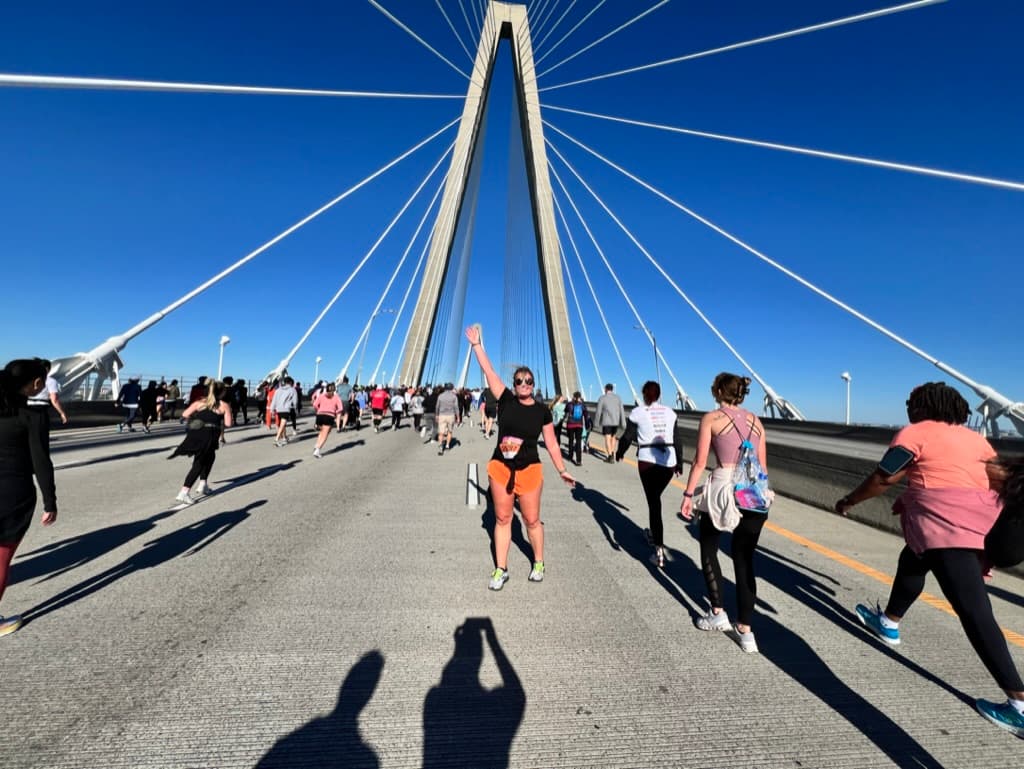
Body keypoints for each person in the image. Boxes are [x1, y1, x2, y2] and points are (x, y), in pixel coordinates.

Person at [835, 381, 1024, 738]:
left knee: (973, 609)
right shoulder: (975, 439)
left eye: (911, 401)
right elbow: (992, 478)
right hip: (978, 520)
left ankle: (1019, 705)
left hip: (946, 526)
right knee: (912, 560)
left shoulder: (914, 433)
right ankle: (888, 622)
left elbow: (884, 477)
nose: (908, 407)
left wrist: (848, 501)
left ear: (924, 406)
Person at [465, 326, 575, 590]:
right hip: (501, 468)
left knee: (531, 520)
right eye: (519, 381)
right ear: (513, 385)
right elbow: (489, 372)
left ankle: (538, 561)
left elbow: (551, 443)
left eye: (528, 381)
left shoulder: (542, 411)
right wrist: (477, 345)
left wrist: (562, 470)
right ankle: (501, 569)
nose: (524, 384)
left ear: (533, 384)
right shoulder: (505, 400)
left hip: (529, 470)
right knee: (503, 519)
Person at [679, 372, 768, 654]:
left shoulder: (711, 419)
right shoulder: (756, 421)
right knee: (745, 560)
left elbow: (699, 461)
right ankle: (746, 631)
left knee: (708, 547)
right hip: (753, 491)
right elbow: (762, 467)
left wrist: (688, 495)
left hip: (723, 488)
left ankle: (717, 612)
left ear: (718, 391)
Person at [0, 358, 58, 637]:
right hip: (13, 494)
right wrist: (50, 501)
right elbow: (41, 462)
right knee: (1, 555)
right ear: (36, 383)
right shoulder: (33, 417)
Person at [616, 381, 683, 568]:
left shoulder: (637, 412)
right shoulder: (671, 413)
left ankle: (658, 550)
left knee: (654, 503)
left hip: (647, 462)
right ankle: (653, 534)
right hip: (669, 462)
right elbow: (677, 439)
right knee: (655, 498)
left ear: (644, 395)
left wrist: (620, 452)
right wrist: (679, 463)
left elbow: (627, 436)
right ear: (659, 395)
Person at [169, 379, 233, 504]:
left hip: (196, 433)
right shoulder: (224, 405)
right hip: (210, 435)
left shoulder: (200, 402)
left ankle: (203, 484)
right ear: (221, 392)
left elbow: (185, 414)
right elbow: (228, 424)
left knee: (210, 457)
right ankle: (184, 492)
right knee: (199, 463)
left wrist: (198, 418)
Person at [26, 359, 68, 429]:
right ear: (48, 369)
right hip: (40, 410)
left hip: (26, 409)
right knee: (41, 433)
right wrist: (62, 413)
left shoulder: (28, 379)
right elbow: (54, 399)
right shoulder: (50, 381)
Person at [594, 383, 625, 463]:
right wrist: (623, 423)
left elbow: (598, 412)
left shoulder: (602, 398)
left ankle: (610, 456)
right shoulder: (618, 398)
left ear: (605, 389)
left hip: (607, 422)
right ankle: (612, 452)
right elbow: (622, 411)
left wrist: (596, 423)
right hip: (616, 422)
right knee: (613, 437)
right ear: (612, 389)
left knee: (607, 438)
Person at [311, 382, 343, 459]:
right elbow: (340, 408)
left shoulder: (321, 396)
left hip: (320, 415)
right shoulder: (336, 397)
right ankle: (317, 450)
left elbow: (315, 405)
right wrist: (335, 412)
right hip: (329, 416)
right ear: (334, 389)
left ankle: (316, 445)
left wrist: (319, 410)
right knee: (325, 434)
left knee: (321, 432)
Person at [269, 377, 298, 446]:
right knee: (282, 424)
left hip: (278, 409)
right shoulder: (292, 390)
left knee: (283, 424)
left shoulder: (278, 390)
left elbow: (274, 400)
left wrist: (272, 409)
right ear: (291, 382)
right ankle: (276, 439)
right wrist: (295, 408)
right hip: (286, 409)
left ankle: (284, 437)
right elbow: (295, 401)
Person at [563, 392, 588, 467]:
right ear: (580, 397)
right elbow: (586, 415)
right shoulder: (582, 405)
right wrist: (587, 425)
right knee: (578, 442)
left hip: (570, 425)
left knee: (570, 440)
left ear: (573, 397)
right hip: (579, 425)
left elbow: (565, 411)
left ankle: (570, 456)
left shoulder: (569, 404)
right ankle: (578, 460)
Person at [435, 383, 460, 456]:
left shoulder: (440, 396)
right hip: (451, 415)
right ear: (452, 388)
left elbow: (437, 406)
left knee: (441, 432)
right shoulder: (454, 396)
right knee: (450, 431)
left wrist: (437, 415)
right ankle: (447, 445)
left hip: (442, 415)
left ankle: (440, 445)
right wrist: (458, 417)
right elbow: (456, 407)